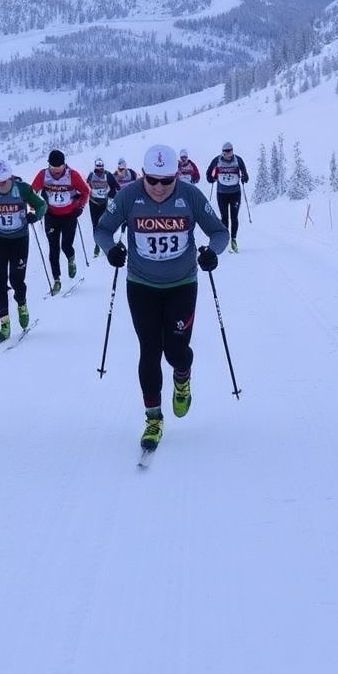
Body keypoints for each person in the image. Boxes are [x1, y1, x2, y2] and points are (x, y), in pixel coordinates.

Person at [95, 143, 229, 452]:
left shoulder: (190, 196)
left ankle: (182, 376)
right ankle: (153, 419)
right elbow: (103, 230)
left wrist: (213, 253)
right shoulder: (129, 196)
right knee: (150, 349)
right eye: (152, 180)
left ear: (176, 177)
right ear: (142, 175)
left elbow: (220, 232)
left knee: (176, 351)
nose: (158, 187)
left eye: (166, 181)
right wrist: (111, 250)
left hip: (182, 284)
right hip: (141, 285)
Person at [0, 159, 48, 341]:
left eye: (5, 180)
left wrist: (35, 216)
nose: (2, 184)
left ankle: (22, 304)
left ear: (11, 177)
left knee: (17, 279)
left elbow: (42, 205)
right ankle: (4, 323)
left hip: (19, 239)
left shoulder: (22, 188)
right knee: (0, 280)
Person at [31, 149, 90, 294]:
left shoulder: (73, 175)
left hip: (69, 215)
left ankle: (71, 258)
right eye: (53, 169)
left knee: (66, 245)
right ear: (48, 165)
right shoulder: (43, 175)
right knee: (53, 247)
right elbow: (31, 193)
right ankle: (56, 279)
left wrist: (80, 207)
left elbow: (86, 191)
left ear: (64, 165)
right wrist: (35, 208)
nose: (56, 172)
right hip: (51, 215)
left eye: (59, 169)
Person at [205, 141, 249, 253]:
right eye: (225, 151)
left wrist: (244, 178)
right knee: (224, 217)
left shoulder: (238, 160)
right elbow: (209, 172)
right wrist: (210, 178)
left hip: (235, 193)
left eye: (229, 151)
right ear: (222, 152)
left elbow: (245, 174)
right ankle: (225, 240)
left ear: (232, 151)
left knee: (234, 217)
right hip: (222, 193)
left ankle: (234, 240)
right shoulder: (217, 160)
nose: (227, 154)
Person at [86, 157, 119, 257]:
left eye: (101, 168)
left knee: (103, 224)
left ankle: (106, 244)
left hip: (104, 203)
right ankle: (97, 245)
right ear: (95, 167)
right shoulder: (91, 175)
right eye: (98, 168)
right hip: (93, 203)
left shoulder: (107, 175)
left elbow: (115, 186)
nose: (99, 170)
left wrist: (111, 195)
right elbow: (86, 186)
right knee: (95, 225)